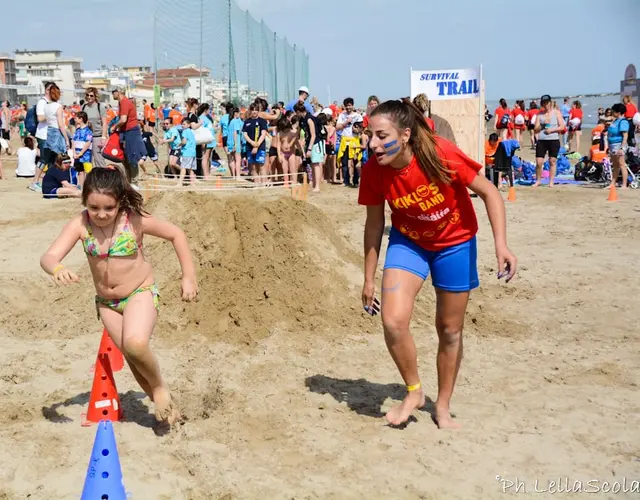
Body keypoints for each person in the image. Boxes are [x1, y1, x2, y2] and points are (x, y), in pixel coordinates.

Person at [358, 98, 517, 428]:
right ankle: (414, 391)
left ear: (404, 135)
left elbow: (489, 192)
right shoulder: (374, 170)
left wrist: (501, 245)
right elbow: (374, 224)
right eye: (369, 135)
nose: (372, 143)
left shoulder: (439, 153)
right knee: (392, 321)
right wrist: (369, 278)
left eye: (380, 135)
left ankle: (442, 406)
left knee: (449, 330)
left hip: (455, 243)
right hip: (409, 242)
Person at [40, 167, 198, 430]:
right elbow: (48, 257)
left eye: (108, 208)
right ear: (84, 202)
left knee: (136, 344)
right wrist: (57, 268)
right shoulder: (80, 224)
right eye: (94, 207)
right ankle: (169, 412)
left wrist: (188, 277)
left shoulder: (134, 220)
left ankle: (159, 389)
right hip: (107, 304)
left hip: (140, 292)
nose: (101, 214)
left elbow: (176, 234)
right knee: (132, 357)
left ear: (120, 202)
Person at [533, 94, 565, 188]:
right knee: (539, 162)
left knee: (552, 161)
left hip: (553, 139)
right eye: (544, 103)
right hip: (542, 140)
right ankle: (538, 181)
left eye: (547, 102)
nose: (546, 105)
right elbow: (535, 129)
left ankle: (551, 182)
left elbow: (562, 127)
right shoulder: (540, 115)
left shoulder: (556, 113)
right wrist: (542, 125)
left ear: (550, 103)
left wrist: (552, 130)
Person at [606, 103, 630, 190]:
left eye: (614, 111)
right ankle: (613, 183)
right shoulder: (615, 121)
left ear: (619, 112)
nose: (612, 112)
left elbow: (625, 136)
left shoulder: (623, 122)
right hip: (612, 145)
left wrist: (621, 148)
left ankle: (624, 185)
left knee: (622, 164)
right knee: (615, 165)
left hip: (619, 145)